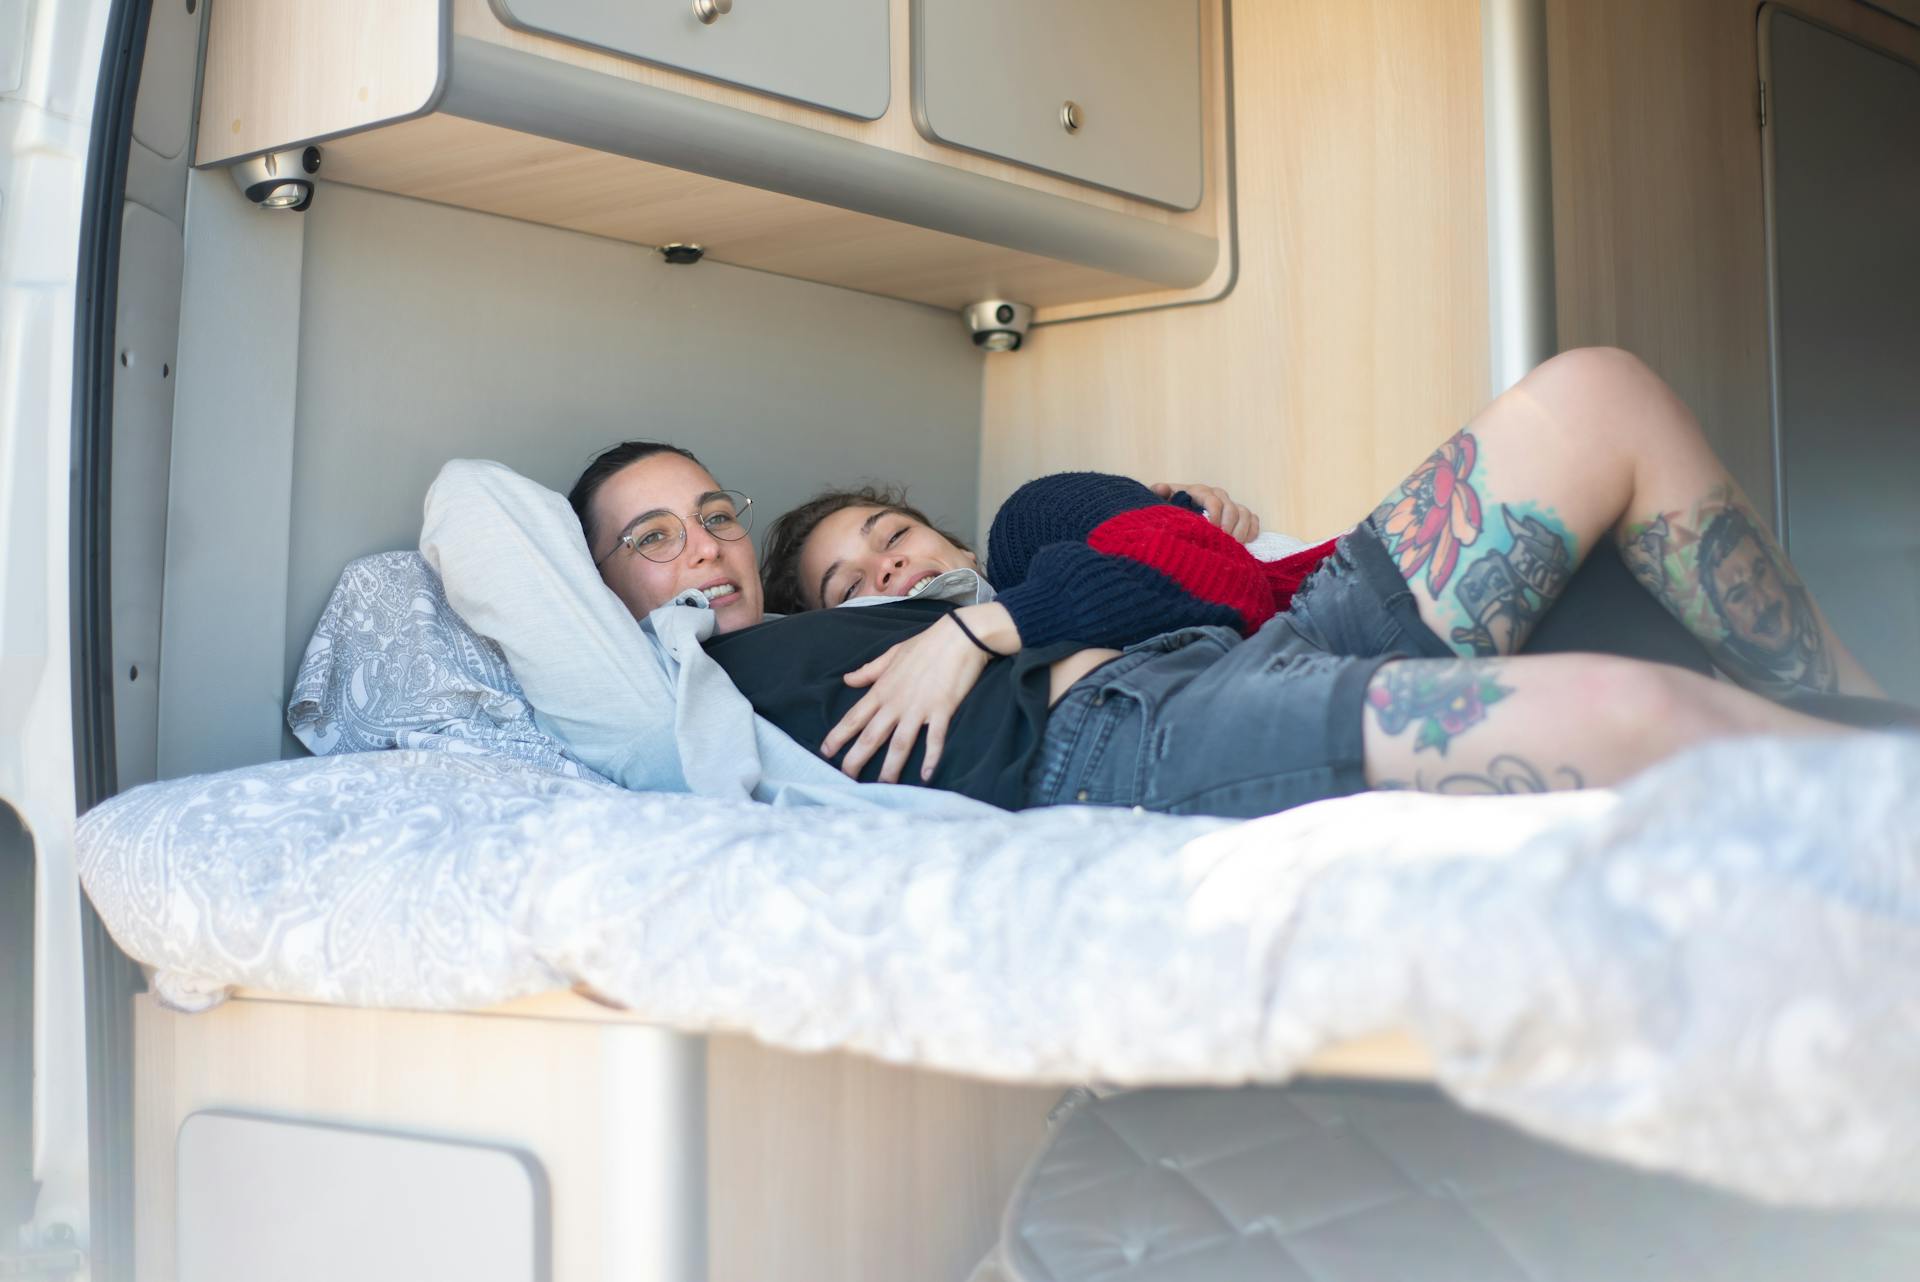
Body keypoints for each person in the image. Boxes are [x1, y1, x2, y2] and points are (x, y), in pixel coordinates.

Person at [568, 347, 1901, 818]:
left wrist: (982, 618)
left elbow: (1185, 580)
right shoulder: (708, 700)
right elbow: (484, 530)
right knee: (1631, 713)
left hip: (1240, 638)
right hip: (1134, 740)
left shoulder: (1013, 560)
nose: (701, 549)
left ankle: (1877, 722)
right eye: (652, 540)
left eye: (715, 515)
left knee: (1599, 390)